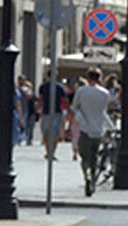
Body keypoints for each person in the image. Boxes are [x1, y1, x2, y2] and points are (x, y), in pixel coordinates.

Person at [72, 67, 114, 197]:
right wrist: (110, 126)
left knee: (84, 158)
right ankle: (93, 182)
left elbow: (74, 107)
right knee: (94, 157)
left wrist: (79, 118)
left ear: (87, 78)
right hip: (98, 129)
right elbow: (103, 111)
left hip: (85, 128)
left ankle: (87, 176)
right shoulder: (104, 93)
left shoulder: (81, 91)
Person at [38, 73, 69, 161]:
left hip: (46, 111)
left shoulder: (43, 87)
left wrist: (38, 108)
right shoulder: (60, 87)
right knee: (55, 133)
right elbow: (64, 100)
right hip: (57, 111)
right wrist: (68, 110)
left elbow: (40, 99)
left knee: (46, 132)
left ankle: (48, 151)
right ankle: (52, 152)